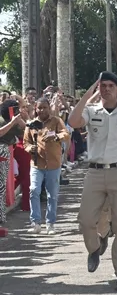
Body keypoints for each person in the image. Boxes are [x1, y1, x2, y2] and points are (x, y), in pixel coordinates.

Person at [68, 72, 117, 291]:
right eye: (102, 86)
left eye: (110, 85)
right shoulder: (91, 111)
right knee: (85, 219)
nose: (106, 89)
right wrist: (88, 93)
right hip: (94, 173)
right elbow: (73, 121)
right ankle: (94, 248)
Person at [24, 98, 70, 234]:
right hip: (37, 164)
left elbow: (66, 134)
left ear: (49, 108)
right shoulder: (31, 124)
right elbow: (25, 142)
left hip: (53, 164)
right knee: (34, 190)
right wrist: (30, 148)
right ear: (36, 109)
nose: (42, 110)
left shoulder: (56, 121)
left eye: (45, 107)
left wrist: (55, 137)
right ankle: (35, 223)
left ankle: (50, 224)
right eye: (40, 108)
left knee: (52, 195)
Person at [0, 100, 26, 230]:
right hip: (1, 149)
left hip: (6, 150)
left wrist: (19, 120)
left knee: (2, 186)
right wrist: (12, 122)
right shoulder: (1, 119)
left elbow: (25, 130)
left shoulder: (14, 120)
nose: (16, 111)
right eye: (14, 109)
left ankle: (1, 216)